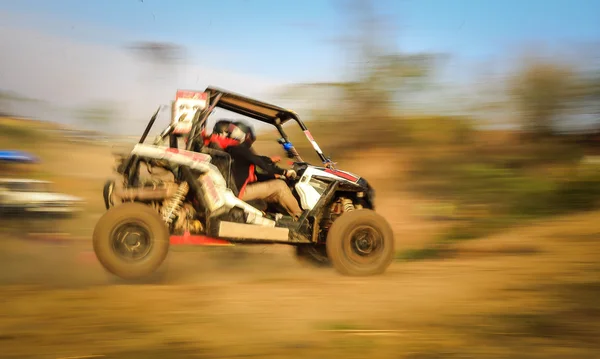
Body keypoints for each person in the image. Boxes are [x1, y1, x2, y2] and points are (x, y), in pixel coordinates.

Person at [225, 121, 304, 219]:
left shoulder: (233, 150)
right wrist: (284, 172)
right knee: (280, 186)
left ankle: (281, 220)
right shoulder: (240, 149)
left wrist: (273, 176)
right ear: (246, 135)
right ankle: (300, 218)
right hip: (239, 191)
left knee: (276, 194)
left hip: (235, 189)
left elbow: (254, 173)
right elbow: (260, 162)